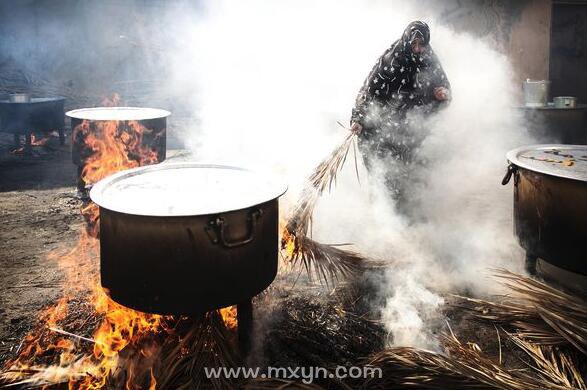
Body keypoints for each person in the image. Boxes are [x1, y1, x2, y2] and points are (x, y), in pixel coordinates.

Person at [350, 21, 450, 209]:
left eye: (422, 44)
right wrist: (359, 119)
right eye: (414, 44)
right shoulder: (391, 60)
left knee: (411, 175)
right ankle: (383, 215)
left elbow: (443, 86)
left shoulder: (429, 58)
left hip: (411, 129)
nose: (418, 49)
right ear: (407, 41)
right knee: (385, 176)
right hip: (384, 128)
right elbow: (368, 91)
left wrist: (442, 94)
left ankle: (407, 216)